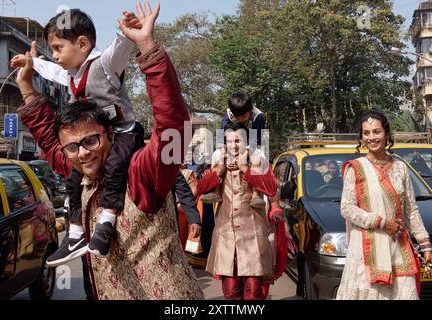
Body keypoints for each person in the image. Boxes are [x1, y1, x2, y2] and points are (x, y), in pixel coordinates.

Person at [14, 1, 204, 300]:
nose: (83, 153)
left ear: (110, 135)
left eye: (91, 141)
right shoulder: (80, 170)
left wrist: (147, 48)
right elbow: (52, 144)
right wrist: (26, 86)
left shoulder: (143, 172)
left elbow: (174, 133)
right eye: (73, 147)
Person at [10, 7, 142, 265]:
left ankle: (107, 221)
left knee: (115, 166)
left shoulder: (104, 65)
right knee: (72, 180)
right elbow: (51, 70)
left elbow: (120, 50)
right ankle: (75, 234)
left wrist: (129, 34)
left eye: (58, 48)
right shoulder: (71, 75)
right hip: (101, 136)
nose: (55, 56)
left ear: (82, 43)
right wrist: (32, 64)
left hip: (124, 133)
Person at [337, 110, 432, 300]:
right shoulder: (356, 168)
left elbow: (411, 211)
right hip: (366, 254)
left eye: (376, 131)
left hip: (398, 248)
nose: (372, 137)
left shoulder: (400, 167)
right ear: (361, 137)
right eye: (366, 133)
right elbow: (347, 208)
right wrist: (382, 222)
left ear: (387, 134)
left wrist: (426, 246)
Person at [197, 122, 277, 300]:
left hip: (253, 236)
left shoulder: (258, 161)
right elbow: (202, 188)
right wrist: (218, 170)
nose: (233, 146)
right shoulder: (220, 162)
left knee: (253, 291)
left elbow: (270, 188)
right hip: (227, 237)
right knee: (231, 292)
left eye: (238, 141)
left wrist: (244, 168)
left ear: (246, 142)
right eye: (229, 141)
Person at [200, 92, 267, 209]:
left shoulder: (259, 117)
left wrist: (243, 157)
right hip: (231, 146)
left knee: (259, 156)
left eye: (244, 117)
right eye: (238, 118)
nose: (241, 120)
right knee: (216, 155)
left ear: (250, 110)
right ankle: (215, 191)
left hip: (250, 146)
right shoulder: (227, 115)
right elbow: (222, 139)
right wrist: (226, 157)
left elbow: (255, 142)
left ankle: (256, 195)